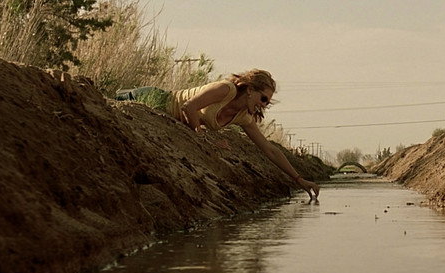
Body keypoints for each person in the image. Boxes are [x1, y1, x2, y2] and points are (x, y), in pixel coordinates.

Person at [117, 69, 320, 200]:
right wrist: (200, 133)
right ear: (250, 90)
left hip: (167, 122)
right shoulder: (226, 89)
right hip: (153, 100)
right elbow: (189, 106)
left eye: (267, 102)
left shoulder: (244, 117)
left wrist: (299, 179)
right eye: (263, 98)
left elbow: (270, 150)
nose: (264, 104)